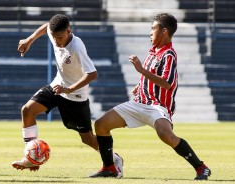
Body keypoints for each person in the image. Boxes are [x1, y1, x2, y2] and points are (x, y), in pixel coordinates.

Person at [89, 13, 211, 180]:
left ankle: (201, 167)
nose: (150, 32)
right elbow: (152, 76)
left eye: (153, 28)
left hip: (157, 107)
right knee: (101, 125)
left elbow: (167, 83)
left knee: (166, 135)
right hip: (140, 103)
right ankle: (110, 167)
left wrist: (141, 70)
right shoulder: (153, 52)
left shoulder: (169, 54)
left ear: (164, 31)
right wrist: (141, 85)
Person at [12, 14, 123, 174]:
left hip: (76, 96)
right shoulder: (54, 32)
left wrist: (69, 89)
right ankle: (31, 157)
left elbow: (92, 74)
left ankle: (114, 158)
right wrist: (29, 40)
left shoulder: (77, 46)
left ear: (69, 31)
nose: (56, 41)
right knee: (27, 110)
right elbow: (46, 27)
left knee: (87, 139)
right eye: (54, 37)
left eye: (59, 37)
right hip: (57, 86)